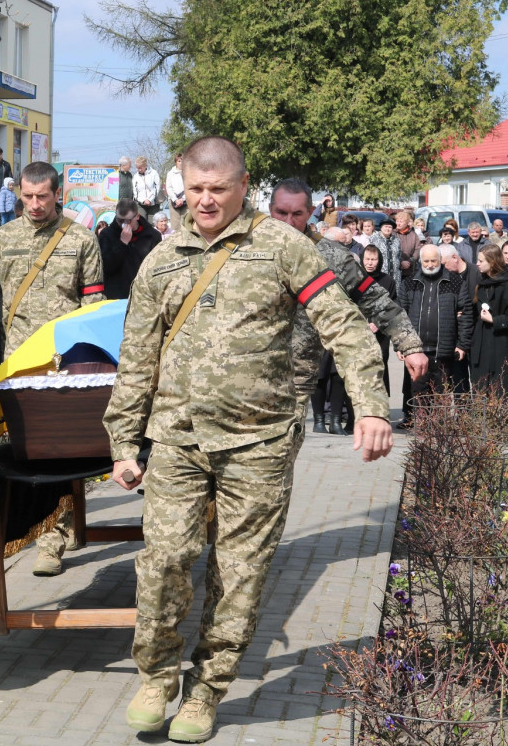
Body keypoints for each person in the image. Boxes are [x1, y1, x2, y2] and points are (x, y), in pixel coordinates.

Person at [105, 137, 391, 743]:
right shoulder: (161, 258)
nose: (205, 202)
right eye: (196, 190)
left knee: (239, 572)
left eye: (219, 190)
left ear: (244, 185)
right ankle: (156, 676)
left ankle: (207, 691)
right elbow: (136, 358)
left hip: (259, 440)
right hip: (177, 439)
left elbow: (343, 327)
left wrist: (371, 405)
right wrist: (123, 442)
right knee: (163, 560)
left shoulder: (283, 247)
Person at [0, 161, 104, 577]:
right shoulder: (1, 239)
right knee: (31, 454)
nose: (34, 205)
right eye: (27, 197)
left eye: (42, 197)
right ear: (18, 194)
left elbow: (92, 304)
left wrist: (93, 362)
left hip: (67, 364)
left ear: (58, 196)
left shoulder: (81, 241)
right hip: (20, 365)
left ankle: (51, 541)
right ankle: (49, 522)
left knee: (65, 451)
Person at [268, 180, 424, 436]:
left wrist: (409, 345)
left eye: (297, 214)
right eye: (281, 213)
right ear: (270, 210)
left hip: (295, 381)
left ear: (310, 213)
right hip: (236, 382)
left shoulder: (331, 256)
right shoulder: (244, 252)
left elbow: (376, 300)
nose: (288, 221)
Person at [397, 245, 473, 426]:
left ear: (440, 260)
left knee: (440, 395)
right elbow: (400, 316)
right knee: (419, 393)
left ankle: (438, 432)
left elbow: (466, 313)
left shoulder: (455, 282)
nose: (430, 265)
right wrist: (400, 345)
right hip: (416, 351)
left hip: (444, 350)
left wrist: (462, 345)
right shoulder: (409, 283)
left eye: (433, 261)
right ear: (420, 261)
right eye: (426, 261)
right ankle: (422, 429)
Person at [470, 244, 508, 394]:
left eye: (481, 261)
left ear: (492, 262)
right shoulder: (481, 283)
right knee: (480, 392)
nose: (477, 264)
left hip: (500, 345)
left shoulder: (507, 284)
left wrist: (495, 320)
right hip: (481, 345)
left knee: (500, 392)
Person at [100, 199, 162, 300]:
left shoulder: (152, 236)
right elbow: (106, 268)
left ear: (137, 216)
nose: (123, 224)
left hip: (143, 296)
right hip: (116, 296)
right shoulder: (107, 235)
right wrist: (122, 243)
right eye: (120, 220)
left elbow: (157, 267)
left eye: (128, 221)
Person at [362, 244, 399, 394]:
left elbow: (392, 306)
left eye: (373, 259)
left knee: (380, 365)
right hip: (359, 331)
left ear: (379, 260)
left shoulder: (387, 280)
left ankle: (381, 404)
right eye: (367, 259)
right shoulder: (357, 277)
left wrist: (378, 322)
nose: (370, 263)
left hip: (380, 332)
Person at [394, 210, 422, 278]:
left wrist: (410, 261)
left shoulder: (413, 235)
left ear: (407, 223)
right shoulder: (392, 234)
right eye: (397, 221)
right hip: (396, 269)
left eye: (401, 221)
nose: (398, 223)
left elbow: (417, 249)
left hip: (410, 269)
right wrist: (401, 261)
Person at [133, 156, 162, 221]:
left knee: (153, 223)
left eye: (141, 168)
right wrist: (143, 200)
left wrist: (150, 200)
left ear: (145, 165)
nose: (139, 170)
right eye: (137, 168)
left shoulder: (154, 173)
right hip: (141, 204)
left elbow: (157, 187)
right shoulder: (135, 176)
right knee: (142, 223)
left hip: (153, 203)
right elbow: (135, 192)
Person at [165, 152, 185, 229]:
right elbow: (169, 188)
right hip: (174, 202)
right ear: (175, 162)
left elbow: (190, 187)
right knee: (175, 225)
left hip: (186, 201)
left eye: (182, 161)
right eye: (179, 161)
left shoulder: (189, 172)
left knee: (186, 223)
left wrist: (183, 199)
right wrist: (175, 199)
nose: (181, 163)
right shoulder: (170, 173)